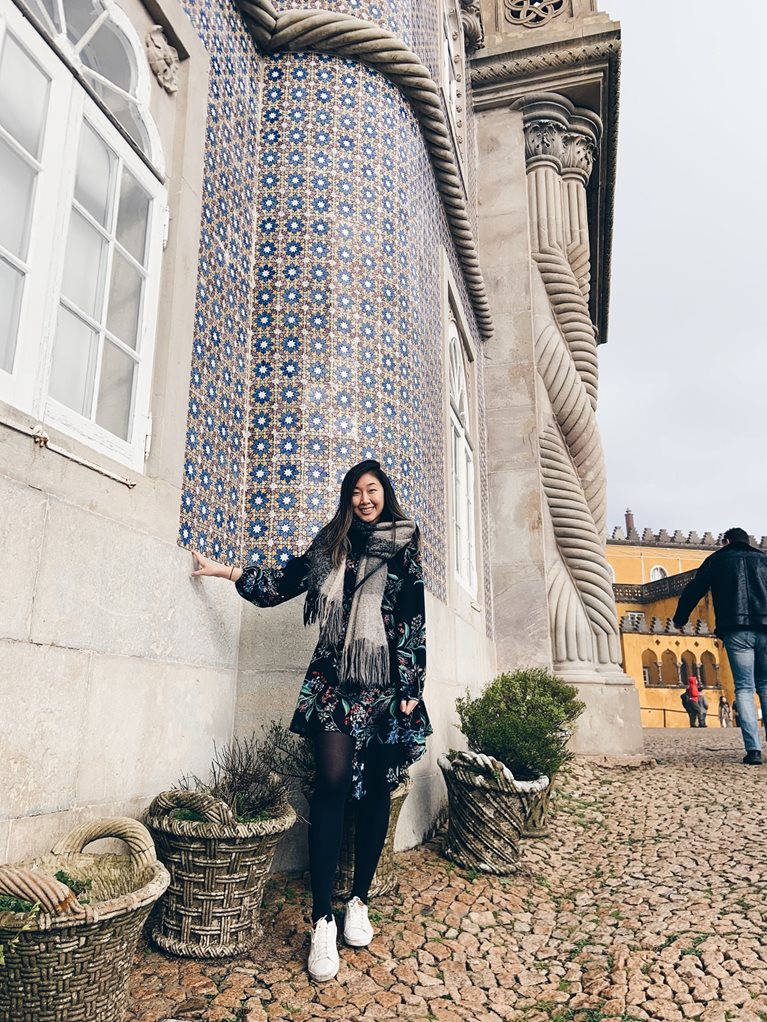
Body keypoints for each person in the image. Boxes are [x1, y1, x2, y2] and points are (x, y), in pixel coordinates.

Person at [191, 460, 432, 981]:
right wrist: (228, 572)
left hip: (386, 686)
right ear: (347, 499)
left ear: (385, 493)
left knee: (376, 793)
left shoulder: (405, 543)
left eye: (372, 490)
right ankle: (322, 918)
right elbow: (282, 584)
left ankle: (358, 901)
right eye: (355, 492)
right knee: (331, 785)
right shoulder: (331, 545)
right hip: (332, 683)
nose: (364, 499)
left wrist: (412, 688)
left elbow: (413, 616)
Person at [673, 527, 767, 765]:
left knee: (744, 688)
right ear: (748, 541)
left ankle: (754, 750)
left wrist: (680, 618)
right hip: (765, 628)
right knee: (766, 686)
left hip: (735, 629)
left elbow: (694, 589)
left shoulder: (717, 559)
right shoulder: (763, 559)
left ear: (725, 541)